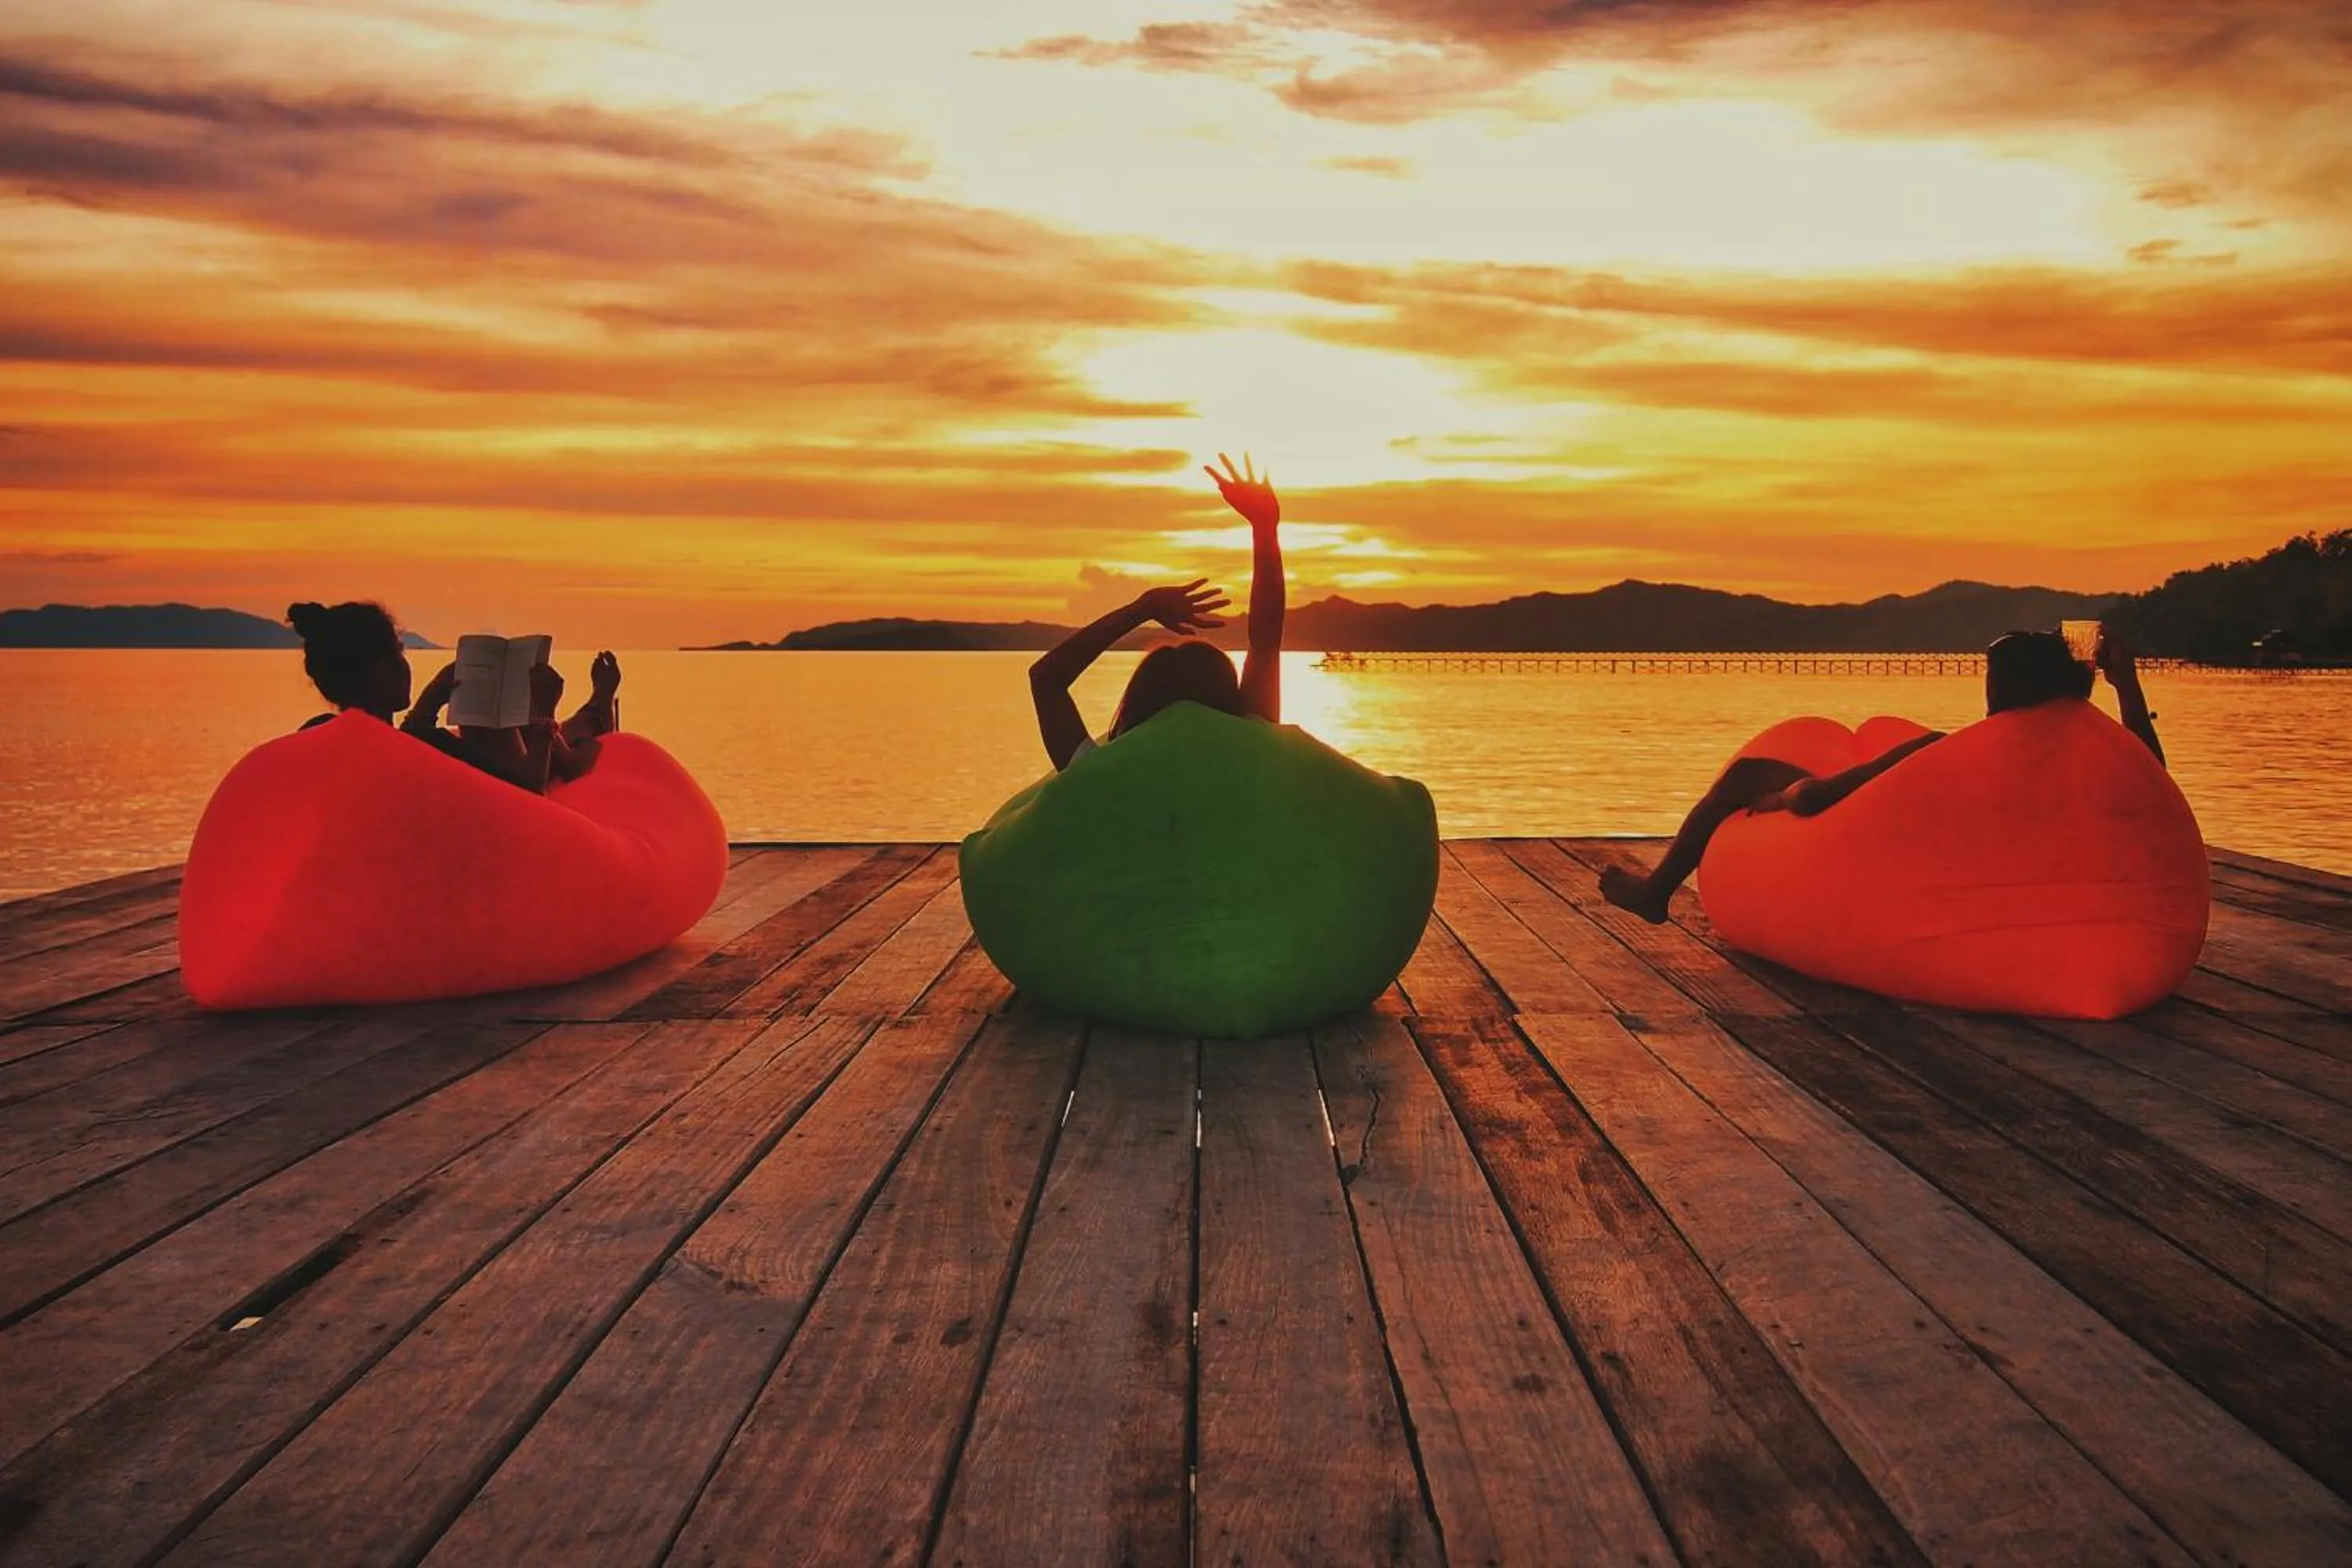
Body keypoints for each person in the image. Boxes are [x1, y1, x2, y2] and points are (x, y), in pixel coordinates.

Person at [1598, 628, 2165, 924]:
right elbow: (2151, 779)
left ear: (1998, 688)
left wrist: (1782, 797)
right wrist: (2127, 686)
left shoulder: (1952, 751)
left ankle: (1655, 893)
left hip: (1910, 855)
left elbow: (1817, 799)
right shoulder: (2088, 757)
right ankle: (1655, 890)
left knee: (1753, 775)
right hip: (2025, 865)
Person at [1029, 454, 1285, 769]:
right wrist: (1265, 527)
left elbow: (1045, 679)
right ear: (1230, 703)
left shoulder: (1103, 774)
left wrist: (1142, 608)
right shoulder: (1251, 754)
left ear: (1134, 707)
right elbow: (1266, 642)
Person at [286, 601, 622, 796]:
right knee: (490, 728)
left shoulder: (314, 735)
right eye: (399, 652)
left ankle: (588, 719)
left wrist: (431, 700)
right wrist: (542, 712)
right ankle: (588, 723)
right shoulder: (423, 746)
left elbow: (393, 742)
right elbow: (527, 795)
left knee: (488, 721)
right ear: (381, 669)